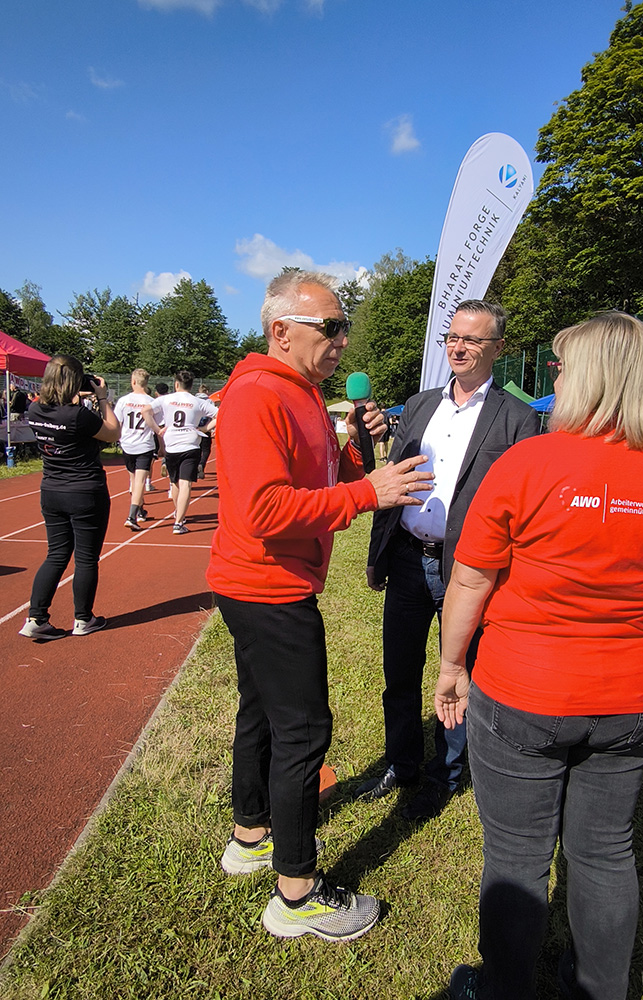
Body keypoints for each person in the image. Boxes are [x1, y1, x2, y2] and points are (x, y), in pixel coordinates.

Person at [435, 313, 643, 1000]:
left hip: (523, 691)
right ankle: (599, 989)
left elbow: (470, 580)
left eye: (561, 367)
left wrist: (451, 667)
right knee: (605, 851)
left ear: (589, 376)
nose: (554, 378)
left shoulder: (527, 463)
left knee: (517, 855)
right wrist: (642, 661)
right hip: (631, 698)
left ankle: (505, 989)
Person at [206, 270, 434, 943]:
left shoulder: (303, 392)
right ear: (281, 331)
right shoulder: (258, 395)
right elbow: (265, 510)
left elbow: (332, 475)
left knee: (263, 714)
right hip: (266, 587)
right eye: (330, 326)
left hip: (267, 583)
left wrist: (360, 446)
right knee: (303, 733)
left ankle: (251, 837)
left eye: (344, 327)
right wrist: (370, 495)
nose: (342, 340)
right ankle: (297, 894)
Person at [358, 300, 539, 820]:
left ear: (497, 348)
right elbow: (392, 479)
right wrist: (378, 553)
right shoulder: (418, 406)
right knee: (399, 672)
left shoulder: (518, 418)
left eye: (472, 340)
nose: (458, 348)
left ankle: (447, 773)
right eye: (452, 337)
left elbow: (524, 504)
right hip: (407, 559)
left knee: (457, 675)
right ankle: (402, 764)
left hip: (469, 571)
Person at [19, 355, 121, 640]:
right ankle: (83, 618)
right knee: (86, 558)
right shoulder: (78, 415)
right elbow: (113, 432)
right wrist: (102, 398)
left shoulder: (34, 409)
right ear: (75, 381)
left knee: (56, 554)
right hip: (85, 491)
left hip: (52, 490)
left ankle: (36, 617)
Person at [146, 371, 217, 534]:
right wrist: (204, 428)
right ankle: (179, 521)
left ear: (176, 384)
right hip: (190, 444)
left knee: (175, 482)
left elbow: (145, 411)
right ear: (191, 386)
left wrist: (157, 430)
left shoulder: (165, 399)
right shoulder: (198, 401)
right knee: (186, 483)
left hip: (172, 445)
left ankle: (179, 515)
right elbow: (220, 413)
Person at [114, 369, 156, 530]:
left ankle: (139, 510)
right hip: (144, 444)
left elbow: (117, 422)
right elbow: (158, 424)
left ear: (133, 382)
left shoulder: (123, 400)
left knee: (134, 480)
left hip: (127, 444)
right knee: (139, 482)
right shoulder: (152, 402)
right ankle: (132, 516)